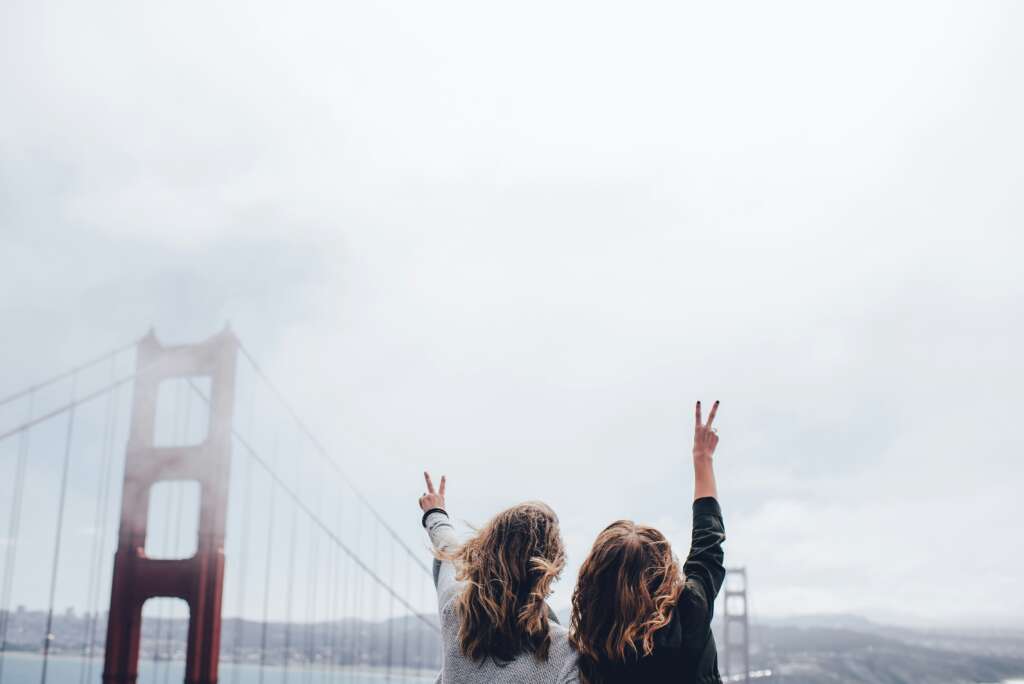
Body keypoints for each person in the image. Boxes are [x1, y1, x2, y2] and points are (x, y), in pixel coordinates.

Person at [569, 400, 726, 684]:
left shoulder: (591, 643)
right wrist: (703, 458)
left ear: (595, 582)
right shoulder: (690, 611)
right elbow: (708, 545)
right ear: (664, 571)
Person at [418, 472, 578, 683]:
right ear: (552, 568)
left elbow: (448, 548)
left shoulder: (454, 610)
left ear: (486, 549)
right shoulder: (566, 655)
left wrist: (435, 512)